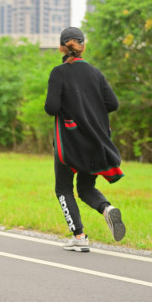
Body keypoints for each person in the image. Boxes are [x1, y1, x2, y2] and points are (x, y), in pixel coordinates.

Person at [45, 26, 126, 252]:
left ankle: (79, 237)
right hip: (94, 143)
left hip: (69, 144)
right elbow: (113, 104)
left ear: (61, 48)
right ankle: (107, 209)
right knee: (85, 188)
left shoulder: (58, 73)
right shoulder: (95, 73)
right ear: (83, 47)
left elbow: (51, 108)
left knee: (63, 189)